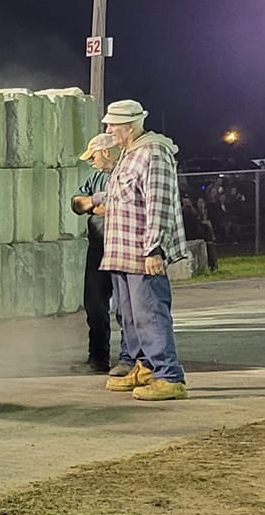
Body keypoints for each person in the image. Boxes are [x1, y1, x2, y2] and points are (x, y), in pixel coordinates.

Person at [98, 99, 190, 401]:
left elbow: (159, 204)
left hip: (141, 254)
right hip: (121, 253)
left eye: (113, 125)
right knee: (130, 316)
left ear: (131, 126)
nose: (108, 129)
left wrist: (154, 250)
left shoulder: (153, 153)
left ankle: (169, 376)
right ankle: (145, 367)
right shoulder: (128, 155)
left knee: (150, 314)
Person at [69, 133, 120, 375]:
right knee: (95, 305)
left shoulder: (124, 173)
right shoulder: (96, 177)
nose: (92, 161)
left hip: (123, 249)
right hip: (98, 250)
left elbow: (117, 209)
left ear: (106, 152)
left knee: (127, 309)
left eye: (94, 156)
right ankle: (98, 358)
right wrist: (93, 201)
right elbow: (77, 203)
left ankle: (136, 360)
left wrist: (98, 206)